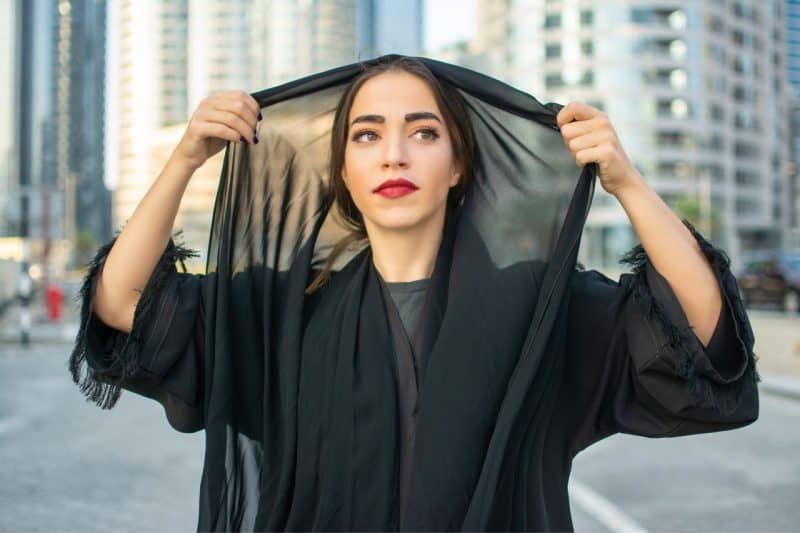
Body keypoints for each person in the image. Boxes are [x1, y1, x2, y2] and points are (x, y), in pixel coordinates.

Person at [69, 55, 759, 531]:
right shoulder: (283, 311)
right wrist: (185, 158)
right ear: (344, 168)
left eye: (422, 132)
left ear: (459, 163)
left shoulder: (538, 309)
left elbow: (701, 335)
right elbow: (123, 307)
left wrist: (628, 183)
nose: (393, 154)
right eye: (367, 136)